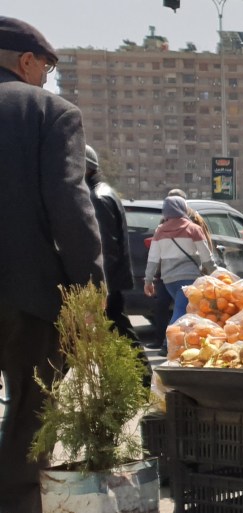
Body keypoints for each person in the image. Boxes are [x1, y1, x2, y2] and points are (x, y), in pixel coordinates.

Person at [0, 17, 104, 513]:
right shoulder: (48, 112)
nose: (47, 78)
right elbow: (69, 202)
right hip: (26, 296)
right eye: (47, 68)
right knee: (28, 413)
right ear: (26, 62)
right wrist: (90, 289)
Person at [85, 145, 152, 387]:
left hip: (106, 283)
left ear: (86, 168)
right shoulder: (103, 193)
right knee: (117, 331)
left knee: (118, 330)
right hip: (110, 281)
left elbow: (105, 248)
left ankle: (141, 381)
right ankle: (137, 381)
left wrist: (100, 287)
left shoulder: (97, 198)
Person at [144, 196, 215, 357]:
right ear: (183, 208)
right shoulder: (193, 229)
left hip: (168, 279)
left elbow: (153, 258)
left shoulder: (160, 231)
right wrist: (214, 273)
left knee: (183, 309)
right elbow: (206, 257)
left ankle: (185, 345)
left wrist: (148, 280)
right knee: (180, 310)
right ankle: (167, 344)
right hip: (189, 278)